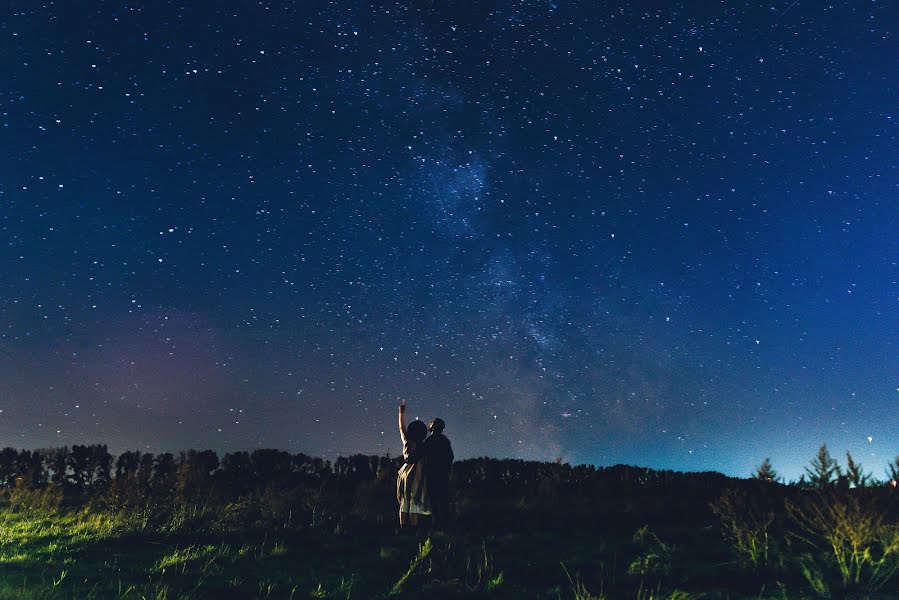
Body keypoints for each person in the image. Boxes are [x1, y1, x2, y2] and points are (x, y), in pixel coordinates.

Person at [396, 400, 431, 527]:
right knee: (414, 504)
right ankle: (413, 530)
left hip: (404, 473)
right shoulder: (423, 446)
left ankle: (403, 529)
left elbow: (401, 428)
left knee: (404, 503)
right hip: (416, 474)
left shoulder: (407, 442)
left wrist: (401, 414)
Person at [421, 417, 454, 529]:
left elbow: (421, 455)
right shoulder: (445, 441)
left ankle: (436, 524)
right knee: (443, 500)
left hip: (431, 474)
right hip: (442, 474)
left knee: (433, 500)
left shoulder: (429, 441)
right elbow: (450, 457)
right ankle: (445, 524)